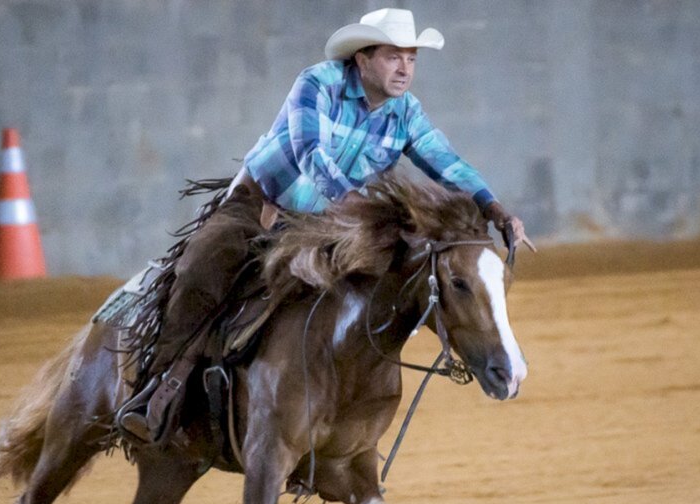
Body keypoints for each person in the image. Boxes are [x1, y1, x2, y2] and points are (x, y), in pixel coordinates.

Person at [120, 8, 534, 443]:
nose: (405, 68)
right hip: (262, 207)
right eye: (394, 57)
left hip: (328, 225)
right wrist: (352, 203)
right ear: (363, 58)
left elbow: (448, 163)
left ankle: (333, 409)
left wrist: (494, 209)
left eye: (411, 59)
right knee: (202, 269)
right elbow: (310, 153)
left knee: (387, 288)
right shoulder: (317, 83)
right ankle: (161, 386)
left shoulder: (406, 113)